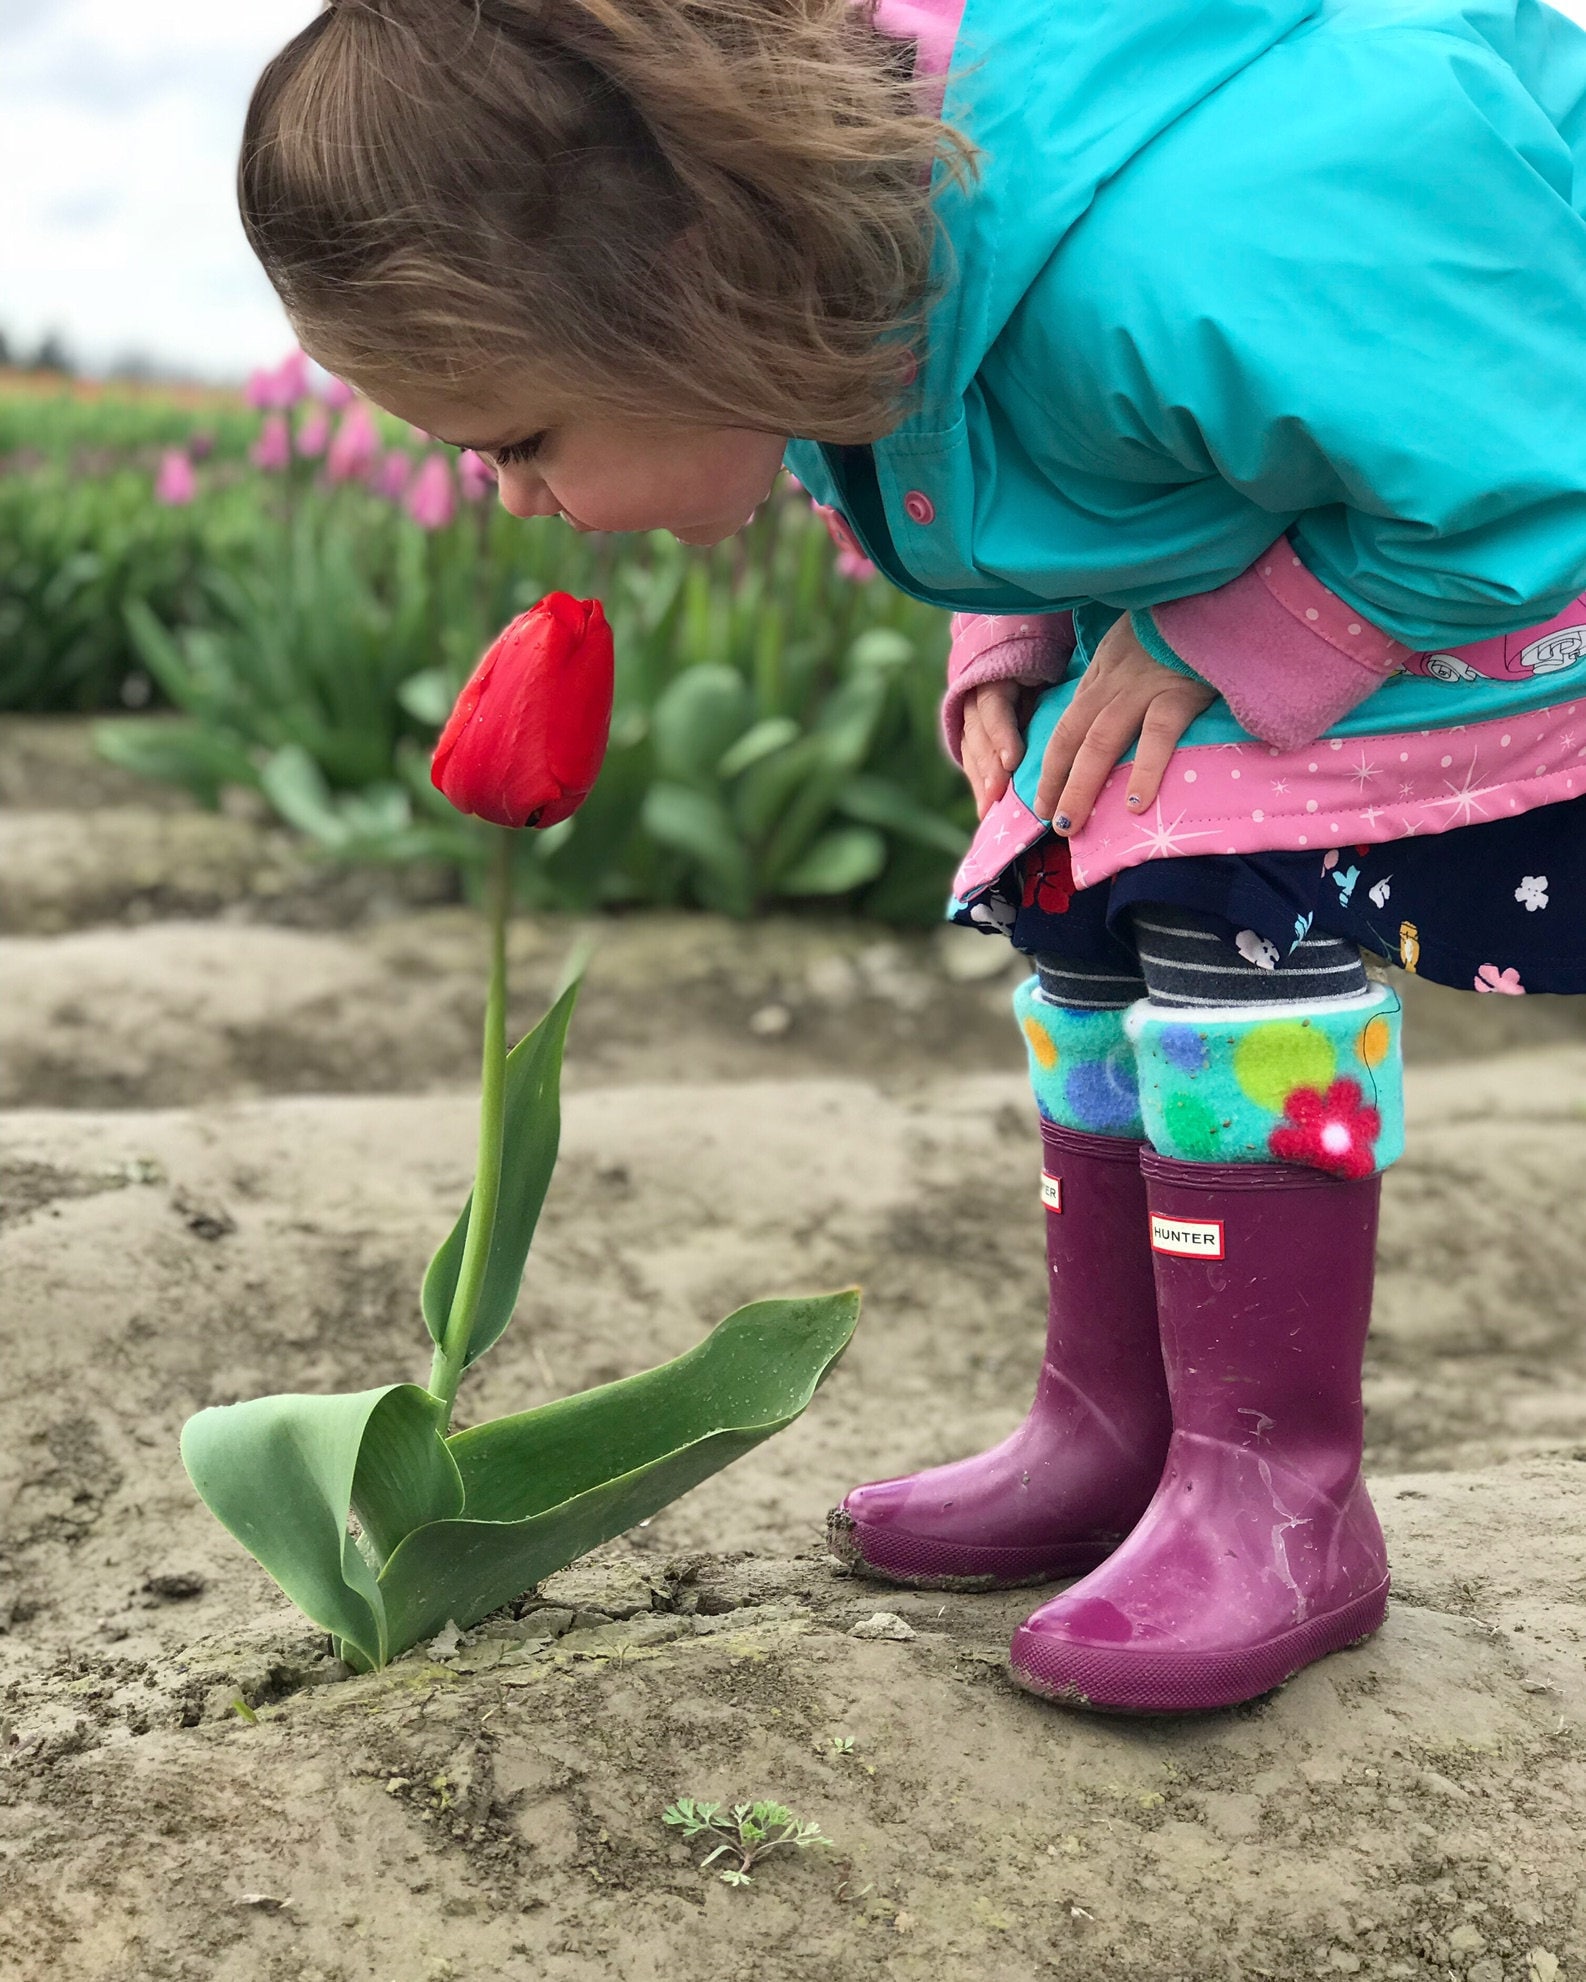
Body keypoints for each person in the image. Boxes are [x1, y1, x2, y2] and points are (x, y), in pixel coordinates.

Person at [238, 0, 1586, 1713]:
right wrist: (1007, 640)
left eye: (517, 438)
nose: (508, 495)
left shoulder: (1181, 245)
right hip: (1371, 473)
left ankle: (1276, 1490)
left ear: (677, 295)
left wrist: (1202, 645)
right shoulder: (830, 253)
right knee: (1074, 856)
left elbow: (1523, 476)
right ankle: (1113, 1424)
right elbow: (1032, 441)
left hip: (1497, 498)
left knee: (1213, 860)